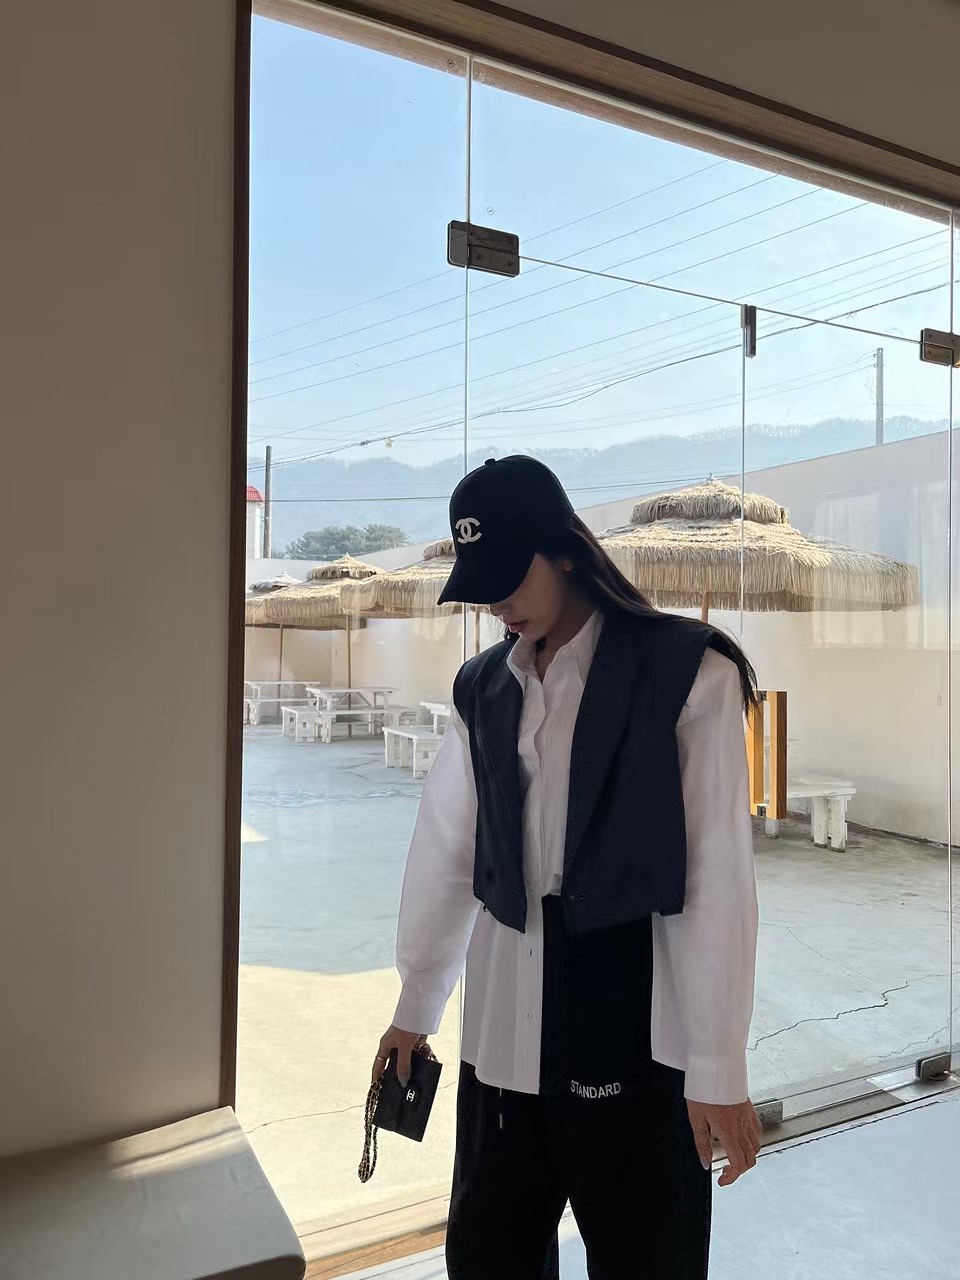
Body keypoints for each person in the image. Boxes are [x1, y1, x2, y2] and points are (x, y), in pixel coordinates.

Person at [372, 456, 761, 1280]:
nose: (495, 603)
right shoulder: (483, 687)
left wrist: (718, 1065)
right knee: (488, 1258)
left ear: (567, 552)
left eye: (509, 576)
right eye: (480, 583)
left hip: (636, 1026)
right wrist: (416, 1004)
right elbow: (449, 848)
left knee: (647, 1260)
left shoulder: (690, 674)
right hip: (501, 1027)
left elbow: (715, 881)